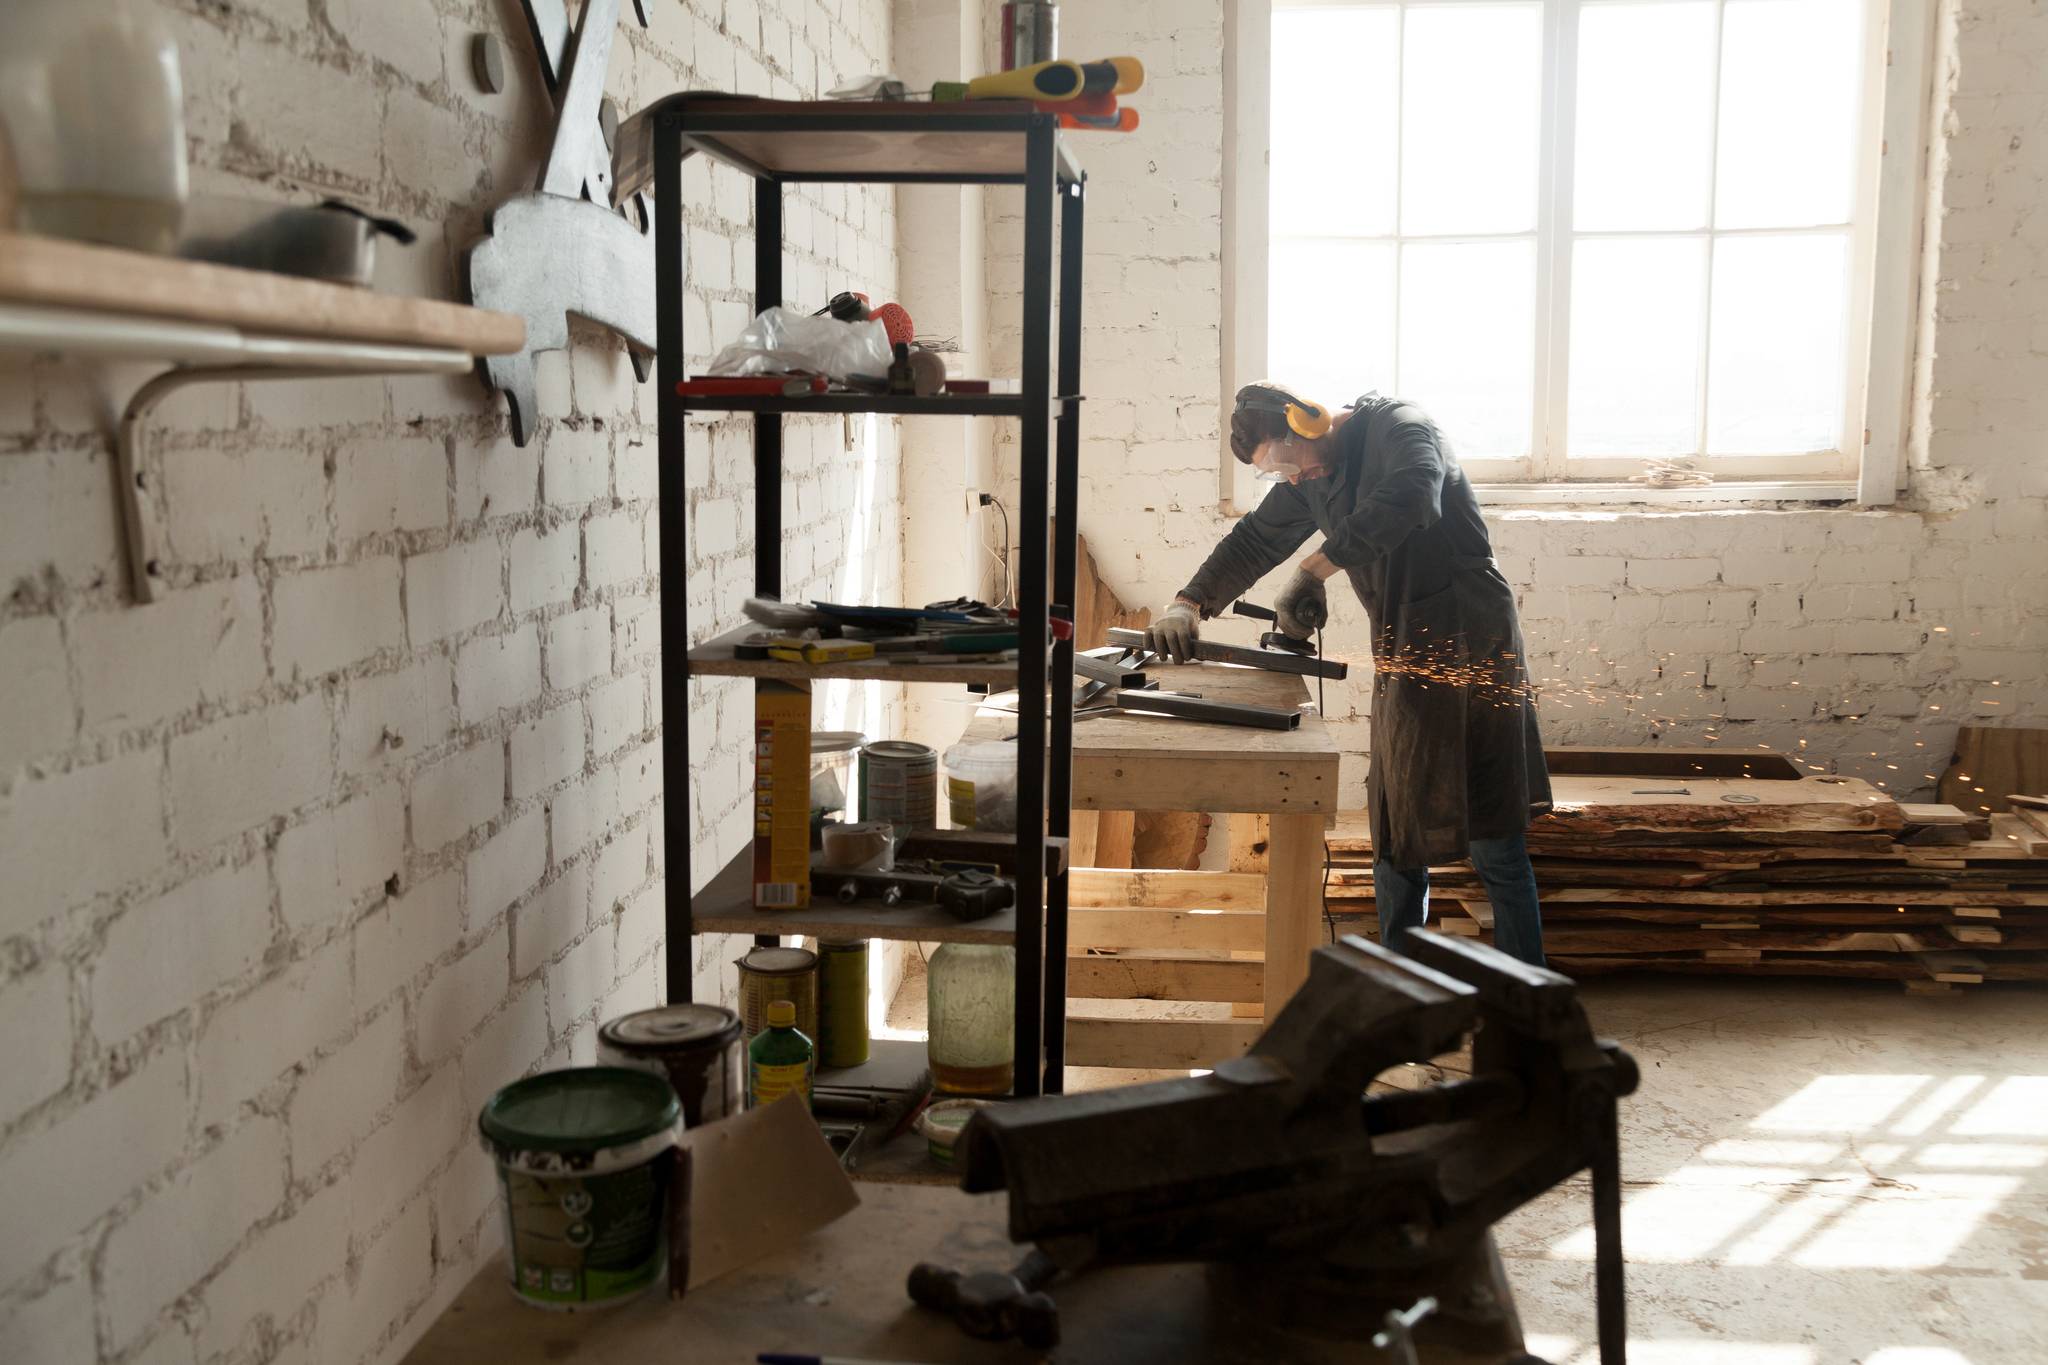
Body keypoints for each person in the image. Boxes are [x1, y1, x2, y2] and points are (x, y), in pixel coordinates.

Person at [1145, 382, 1552, 966]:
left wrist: (1314, 569)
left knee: (1494, 834)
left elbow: (1412, 498)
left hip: (1469, 634)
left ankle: (1529, 997)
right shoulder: (1310, 476)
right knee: (1396, 823)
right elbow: (1254, 541)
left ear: (1308, 422)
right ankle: (1398, 984)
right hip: (1402, 637)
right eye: (1277, 476)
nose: (1292, 482)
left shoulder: (1402, 428)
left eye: (1289, 466)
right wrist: (1188, 603)